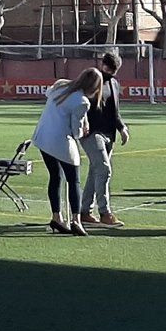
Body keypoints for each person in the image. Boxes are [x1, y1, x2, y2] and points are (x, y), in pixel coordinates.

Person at [33, 68, 103, 236]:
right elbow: (76, 131)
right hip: (61, 141)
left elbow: (49, 95)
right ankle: (76, 220)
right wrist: (85, 129)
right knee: (74, 180)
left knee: (55, 177)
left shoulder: (60, 85)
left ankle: (57, 217)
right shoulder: (82, 101)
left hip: (43, 137)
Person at [78, 51, 130, 227]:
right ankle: (105, 213)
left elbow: (114, 112)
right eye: (108, 68)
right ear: (102, 65)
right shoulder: (92, 81)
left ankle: (84, 211)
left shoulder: (114, 84)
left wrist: (122, 128)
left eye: (113, 70)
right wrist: (82, 120)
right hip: (92, 133)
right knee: (104, 169)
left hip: (109, 135)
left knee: (95, 173)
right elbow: (80, 102)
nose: (109, 72)